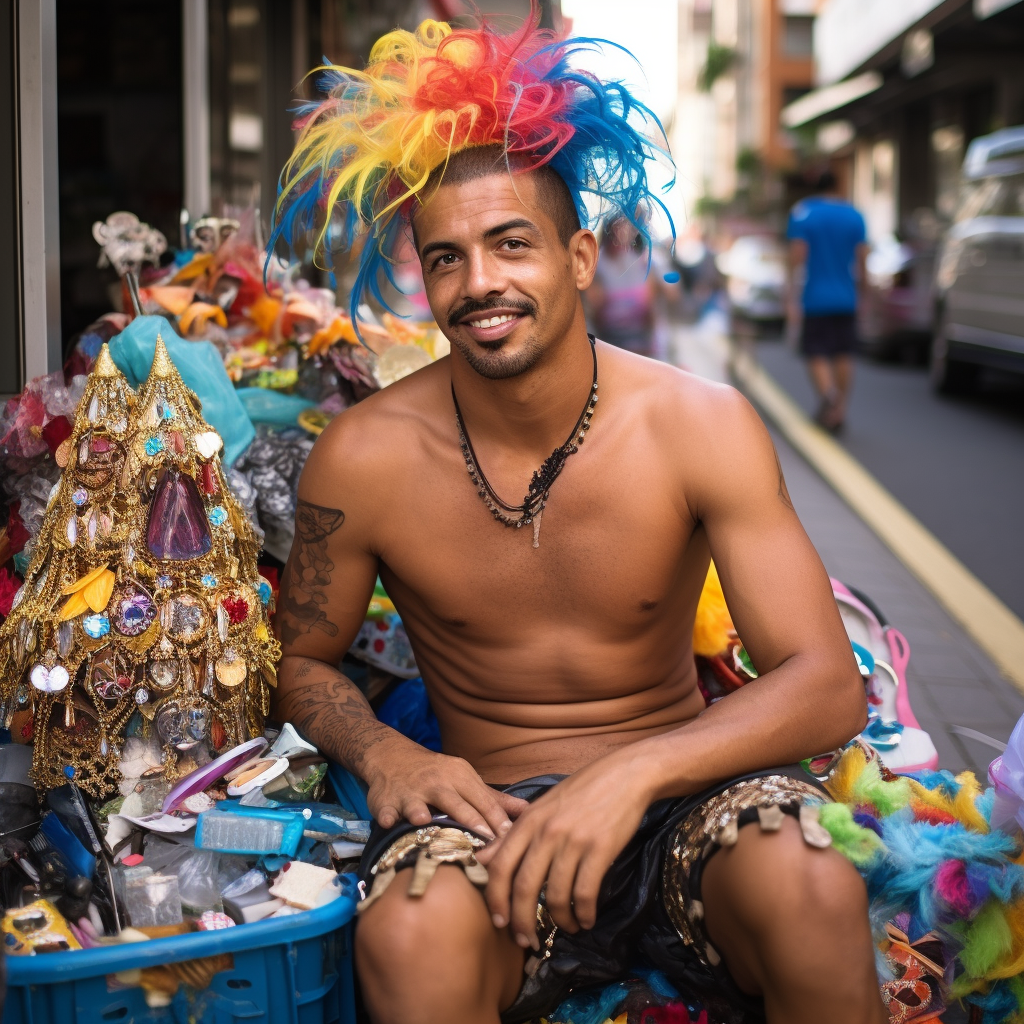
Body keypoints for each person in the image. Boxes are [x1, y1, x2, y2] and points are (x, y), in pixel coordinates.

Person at [271, 11, 883, 1024]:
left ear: (582, 256)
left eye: (511, 244)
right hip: (491, 818)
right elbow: (304, 660)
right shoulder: (364, 457)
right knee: (410, 924)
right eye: (447, 258)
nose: (481, 284)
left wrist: (634, 773)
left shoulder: (698, 425)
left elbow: (824, 685)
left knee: (814, 881)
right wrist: (389, 754)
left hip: (688, 800)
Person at [786, 171, 868, 432]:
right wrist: (864, 293)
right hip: (846, 297)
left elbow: (798, 255)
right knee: (844, 352)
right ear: (839, 185)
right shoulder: (855, 215)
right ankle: (840, 408)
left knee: (816, 351)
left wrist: (790, 294)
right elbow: (862, 259)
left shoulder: (804, 212)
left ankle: (828, 394)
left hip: (815, 298)